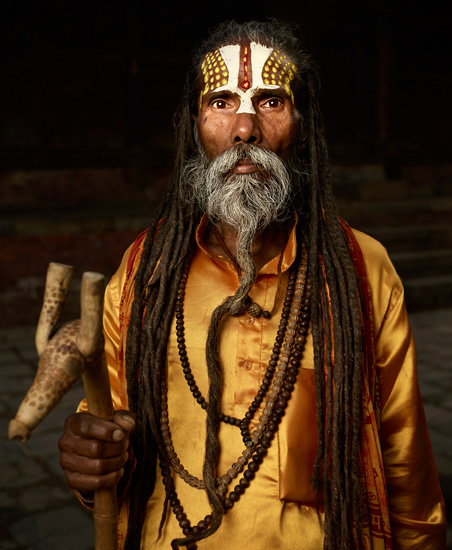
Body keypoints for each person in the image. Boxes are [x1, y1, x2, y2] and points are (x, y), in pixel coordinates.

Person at [58, 19, 446, 550]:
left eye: (269, 101)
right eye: (221, 102)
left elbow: (405, 466)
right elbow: (109, 427)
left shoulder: (362, 268)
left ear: (302, 124)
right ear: (194, 126)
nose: (244, 128)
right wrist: (91, 461)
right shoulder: (145, 271)